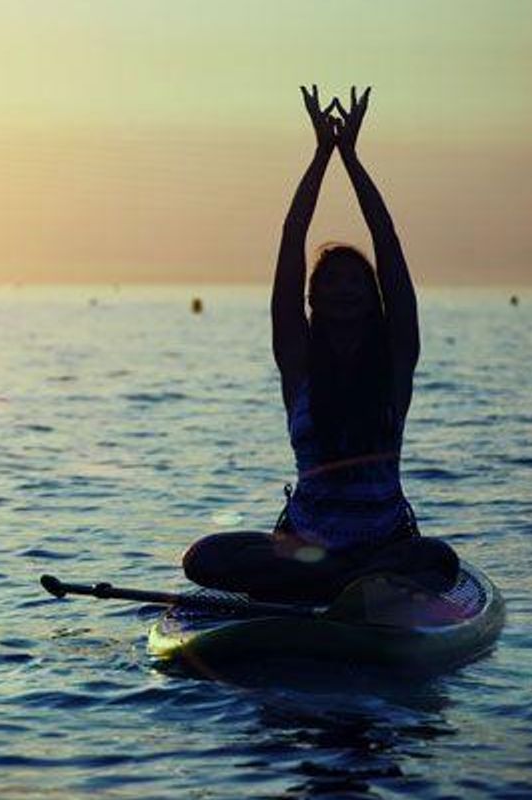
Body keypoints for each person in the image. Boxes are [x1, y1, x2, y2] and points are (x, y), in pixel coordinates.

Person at [181, 86, 458, 604]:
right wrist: (319, 155)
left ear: (372, 296)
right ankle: (341, 586)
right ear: (314, 298)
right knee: (203, 556)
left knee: (438, 559)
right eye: (331, 284)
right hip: (308, 551)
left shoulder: (395, 362)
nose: (344, 291)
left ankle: (354, 587)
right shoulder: (299, 365)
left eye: (356, 283)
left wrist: (351, 158)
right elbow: (292, 237)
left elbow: (388, 241)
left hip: (383, 549)